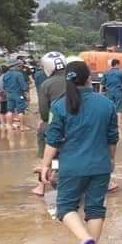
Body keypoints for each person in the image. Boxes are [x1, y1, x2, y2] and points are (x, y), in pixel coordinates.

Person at [39, 61, 118, 244]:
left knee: (65, 208)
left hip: (72, 166)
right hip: (100, 165)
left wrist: (45, 165)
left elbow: (52, 139)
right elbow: (112, 138)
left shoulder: (59, 105)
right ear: (89, 78)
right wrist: (110, 161)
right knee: (95, 209)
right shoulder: (106, 103)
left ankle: (85, 240)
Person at [32, 52, 68, 197]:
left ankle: (41, 185)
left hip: (56, 126)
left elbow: (44, 114)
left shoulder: (46, 84)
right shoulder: (74, 79)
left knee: (43, 135)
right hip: (78, 125)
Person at [102, 58, 122, 127]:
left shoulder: (106, 72)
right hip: (118, 92)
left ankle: (108, 123)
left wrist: (101, 92)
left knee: (109, 107)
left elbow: (102, 83)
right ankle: (118, 123)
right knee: (119, 109)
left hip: (109, 93)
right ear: (117, 64)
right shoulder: (120, 72)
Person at [1, 62, 28, 129]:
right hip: (18, 94)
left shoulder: (5, 75)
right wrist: (26, 92)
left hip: (9, 95)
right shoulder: (19, 74)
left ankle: (10, 126)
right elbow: (23, 85)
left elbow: (4, 87)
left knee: (10, 110)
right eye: (18, 66)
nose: (19, 67)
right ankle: (22, 126)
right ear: (15, 66)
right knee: (21, 111)